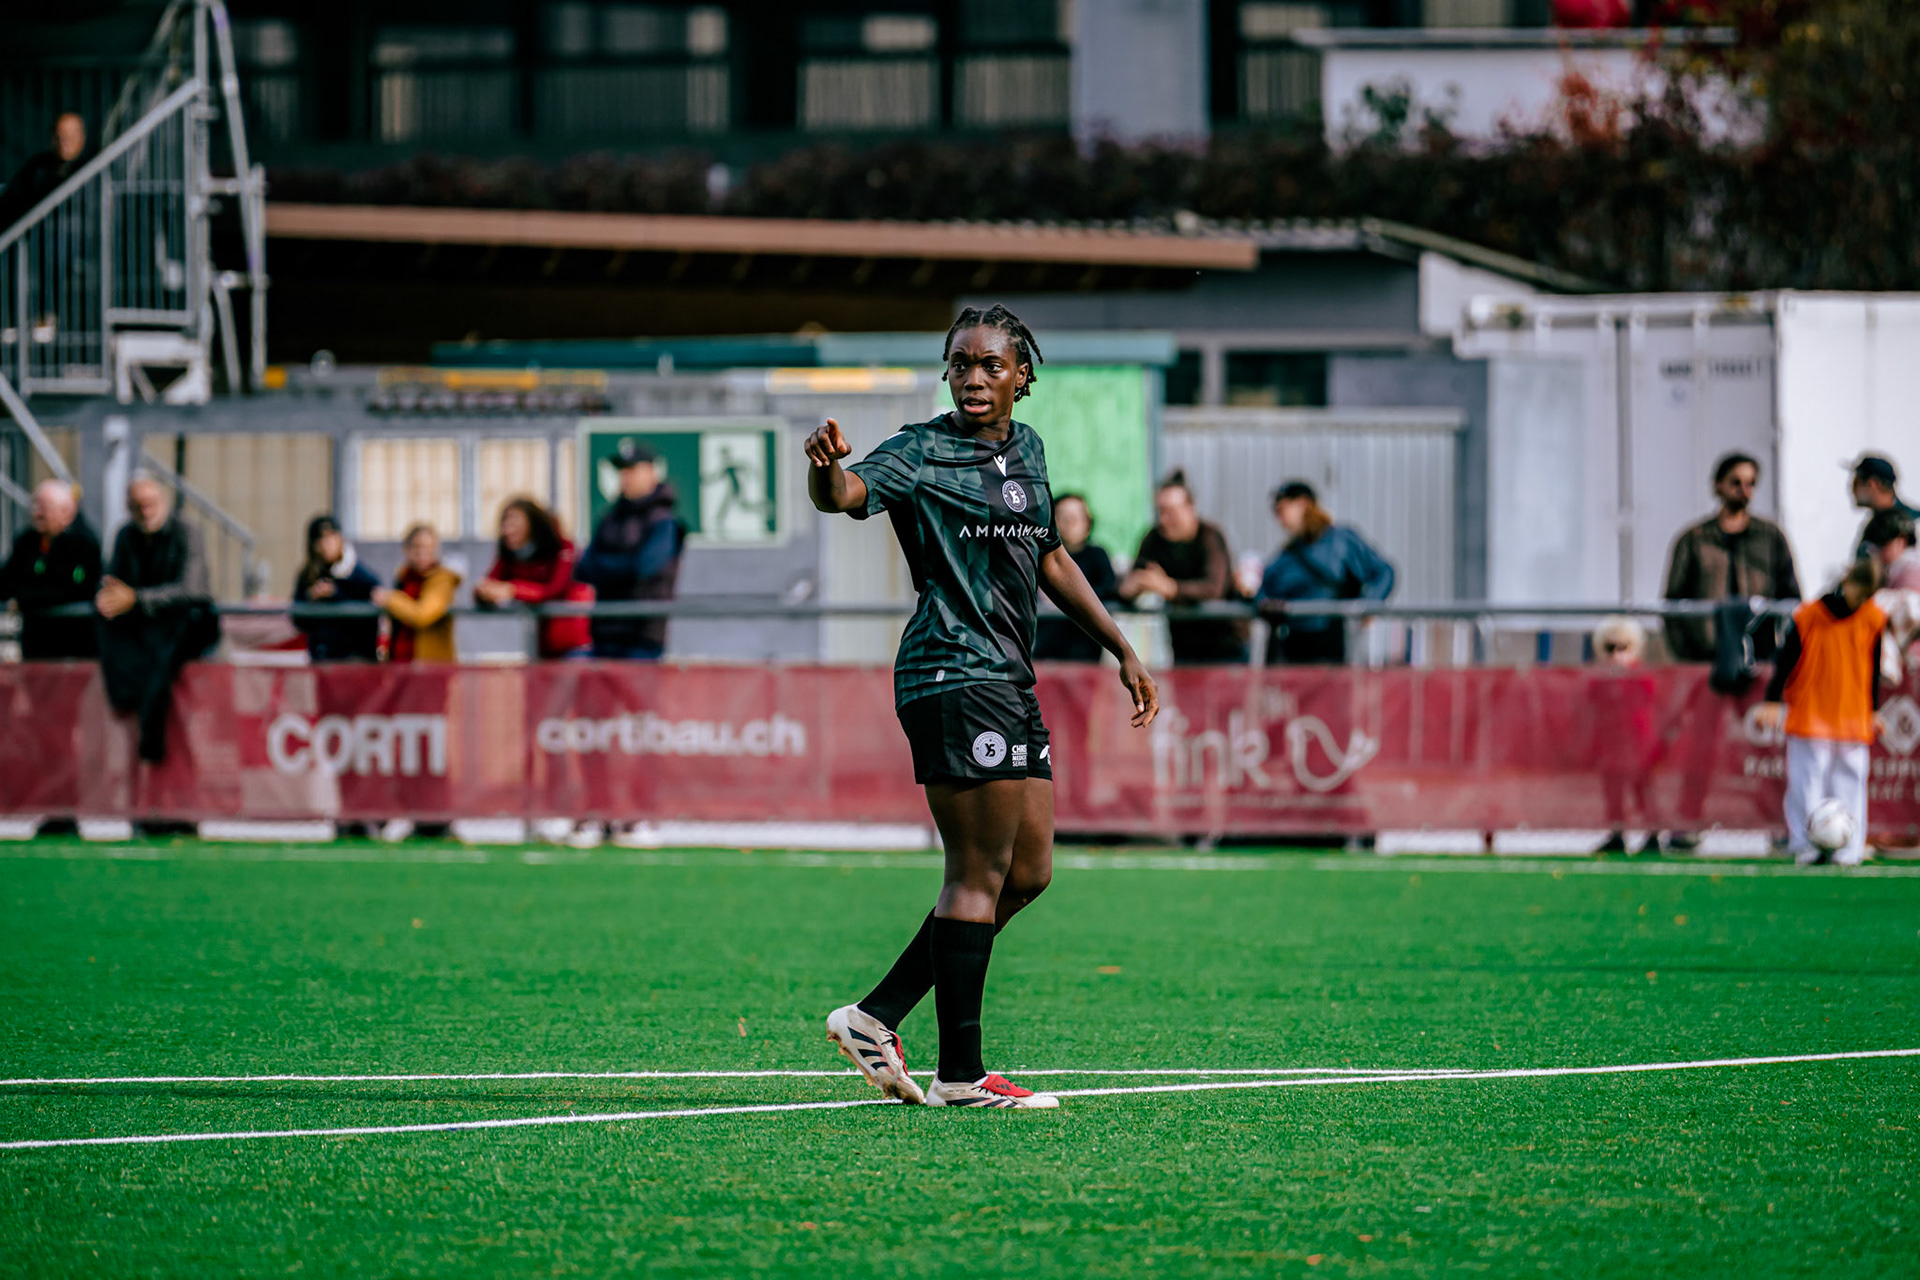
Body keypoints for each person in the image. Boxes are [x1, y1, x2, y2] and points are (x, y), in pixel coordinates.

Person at [804, 304, 1158, 1110]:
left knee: (1027, 874)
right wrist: (825, 468)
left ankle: (875, 1017)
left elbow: (1049, 554)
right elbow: (846, 494)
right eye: (960, 363)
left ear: (1021, 376)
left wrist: (1121, 646)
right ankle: (961, 1073)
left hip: (1008, 677)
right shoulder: (921, 449)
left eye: (990, 364)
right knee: (976, 874)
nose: (973, 377)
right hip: (951, 674)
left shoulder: (1027, 449)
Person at [1756, 559, 1889, 867]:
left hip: (1853, 712)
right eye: (1861, 592)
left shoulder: (1873, 618)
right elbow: (1786, 660)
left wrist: (1874, 709)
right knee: (1807, 781)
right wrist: (1772, 699)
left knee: (1851, 780)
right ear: (1847, 583)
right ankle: (1806, 845)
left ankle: (1848, 847)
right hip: (1811, 709)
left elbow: (1874, 666)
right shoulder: (1809, 616)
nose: (1862, 600)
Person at [96, 472, 218, 762]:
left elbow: (193, 588)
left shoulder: (186, 532)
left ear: (163, 502)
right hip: (147, 631)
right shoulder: (126, 535)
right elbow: (114, 584)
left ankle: (151, 747)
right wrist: (114, 599)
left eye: (150, 504)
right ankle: (126, 700)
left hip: (186, 629)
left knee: (161, 670)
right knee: (105, 624)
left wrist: (137, 599)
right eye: (138, 506)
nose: (145, 511)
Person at [1662, 452, 1801, 663]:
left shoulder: (1771, 537)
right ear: (1718, 485)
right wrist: (1687, 655)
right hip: (1707, 655)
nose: (1743, 490)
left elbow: (1790, 595)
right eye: (1736, 482)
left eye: (1750, 483)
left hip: (1762, 654)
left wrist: (1781, 651)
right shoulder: (1694, 540)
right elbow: (1673, 602)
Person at [1256, 480, 1395, 665]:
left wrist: (1370, 605)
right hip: (1294, 646)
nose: (1277, 517)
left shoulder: (1340, 541)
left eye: (1281, 509)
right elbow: (1263, 590)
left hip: (1335, 644)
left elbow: (1384, 572)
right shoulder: (1287, 555)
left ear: (1302, 504)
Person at [1118, 472, 1248, 665]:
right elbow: (1132, 579)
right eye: (1160, 511)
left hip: (1226, 643)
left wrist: (1170, 588)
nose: (1164, 519)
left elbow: (1213, 588)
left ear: (1190, 509)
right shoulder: (1154, 539)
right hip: (1184, 645)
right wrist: (1128, 589)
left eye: (1172, 511)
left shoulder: (1210, 537)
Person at [575, 441, 683, 660]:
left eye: (632, 470)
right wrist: (622, 566)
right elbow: (584, 568)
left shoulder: (663, 522)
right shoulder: (610, 518)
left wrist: (606, 568)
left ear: (651, 473)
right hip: (604, 633)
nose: (626, 477)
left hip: (642, 636)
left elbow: (645, 568)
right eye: (623, 471)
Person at [475, 497, 592, 659]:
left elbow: (555, 590)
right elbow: (491, 582)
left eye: (515, 524)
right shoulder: (510, 555)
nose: (508, 530)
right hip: (540, 644)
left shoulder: (562, 549)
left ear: (533, 525)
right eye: (505, 524)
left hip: (572, 642)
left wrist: (513, 590)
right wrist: (483, 591)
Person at [1, 478, 101, 660]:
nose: (36, 513)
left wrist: (25, 598)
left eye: (43, 508)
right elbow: (8, 580)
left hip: (74, 644)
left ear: (65, 511)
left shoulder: (84, 543)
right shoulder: (27, 541)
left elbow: (76, 589)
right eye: (34, 506)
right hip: (36, 643)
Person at [1589, 617, 1659, 855]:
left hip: (1637, 742)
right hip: (1611, 743)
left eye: (1623, 647)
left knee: (1641, 790)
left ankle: (1652, 834)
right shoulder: (1600, 679)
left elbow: (1648, 700)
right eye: (1611, 648)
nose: (1617, 654)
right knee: (1612, 791)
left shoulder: (1640, 675)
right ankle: (1617, 833)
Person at [1032, 493, 1117, 662]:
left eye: (1076, 517)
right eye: (1064, 517)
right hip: (1046, 650)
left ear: (1088, 522)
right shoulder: (1038, 556)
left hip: (1084, 650)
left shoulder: (1097, 555)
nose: (1070, 524)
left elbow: (1109, 589)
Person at [292, 515, 380, 662]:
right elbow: (298, 620)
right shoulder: (308, 576)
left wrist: (336, 595)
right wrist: (311, 600)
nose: (326, 544)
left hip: (355, 662)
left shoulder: (358, 575)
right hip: (322, 660)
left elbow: (368, 619)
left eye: (331, 537)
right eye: (320, 540)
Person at [373, 524, 460, 662]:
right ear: (406, 549)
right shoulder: (404, 577)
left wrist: (390, 599)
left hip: (430, 667)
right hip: (401, 662)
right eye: (416, 547)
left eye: (428, 547)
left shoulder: (442, 580)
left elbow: (422, 614)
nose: (421, 553)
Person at [0, 113, 93, 230]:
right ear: (52, 138)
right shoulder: (38, 165)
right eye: (60, 135)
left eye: (71, 135)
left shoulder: (92, 169)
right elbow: (11, 197)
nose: (64, 141)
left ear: (82, 138)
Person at [1851, 455, 1918, 559]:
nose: (1851, 488)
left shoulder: (1912, 523)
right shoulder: (1875, 524)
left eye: (1856, 482)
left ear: (1871, 484)